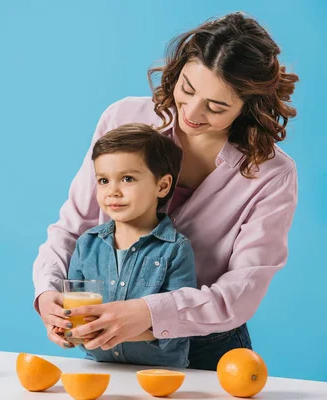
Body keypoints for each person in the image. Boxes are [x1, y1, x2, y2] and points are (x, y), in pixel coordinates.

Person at [33, 12, 299, 371]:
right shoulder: (123, 118)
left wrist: (147, 313)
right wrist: (48, 291)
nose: (191, 111)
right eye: (187, 89)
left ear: (248, 105)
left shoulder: (271, 173)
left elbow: (241, 292)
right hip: (110, 346)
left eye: (217, 107)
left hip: (208, 350)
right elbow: (74, 226)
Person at [65, 123, 197, 368]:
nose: (112, 191)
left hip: (160, 375)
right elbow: (75, 313)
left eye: (127, 178)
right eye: (103, 180)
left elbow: (179, 322)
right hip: (100, 370)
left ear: (162, 186)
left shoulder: (175, 250)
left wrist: (110, 330)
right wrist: (69, 330)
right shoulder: (87, 245)